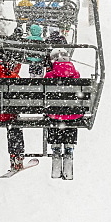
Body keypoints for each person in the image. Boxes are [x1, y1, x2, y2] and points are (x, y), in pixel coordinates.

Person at [44, 47, 80, 180]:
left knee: (55, 116)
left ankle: (56, 150)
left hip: (55, 115)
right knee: (70, 117)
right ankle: (69, 149)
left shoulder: (50, 76)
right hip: (73, 114)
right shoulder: (76, 74)